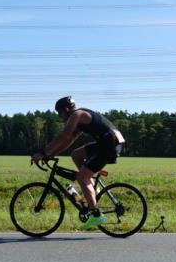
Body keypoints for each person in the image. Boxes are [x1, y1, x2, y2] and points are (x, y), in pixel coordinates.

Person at [33, 96, 125, 230]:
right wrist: (51, 154)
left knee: (82, 177)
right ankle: (91, 188)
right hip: (108, 142)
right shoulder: (79, 117)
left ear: (66, 109)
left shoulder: (76, 115)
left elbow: (63, 136)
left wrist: (43, 152)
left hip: (109, 145)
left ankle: (96, 214)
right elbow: (70, 139)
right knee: (76, 155)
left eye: (59, 112)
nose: (59, 116)